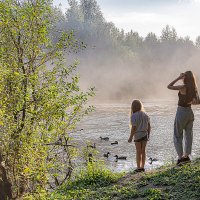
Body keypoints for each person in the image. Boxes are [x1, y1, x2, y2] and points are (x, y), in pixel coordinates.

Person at [167, 71, 199, 165]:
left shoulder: (183, 87)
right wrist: (191, 102)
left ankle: (180, 158)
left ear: (185, 77)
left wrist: (178, 78)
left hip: (181, 112)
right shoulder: (194, 88)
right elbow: (198, 101)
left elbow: (169, 86)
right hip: (190, 112)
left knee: (177, 135)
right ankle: (186, 156)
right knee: (189, 135)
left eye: (183, 75)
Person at [128, 100, 151, 172]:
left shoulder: (133, 116)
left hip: (138, 134)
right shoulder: (145, 114)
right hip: (145, 134)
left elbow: (134, 128)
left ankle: (138, 168)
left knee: (138, 151)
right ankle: (142, 167)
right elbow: (149, 126)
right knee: (143, 151)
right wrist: (148, 135)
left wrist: (131, 137)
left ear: (133, 107)